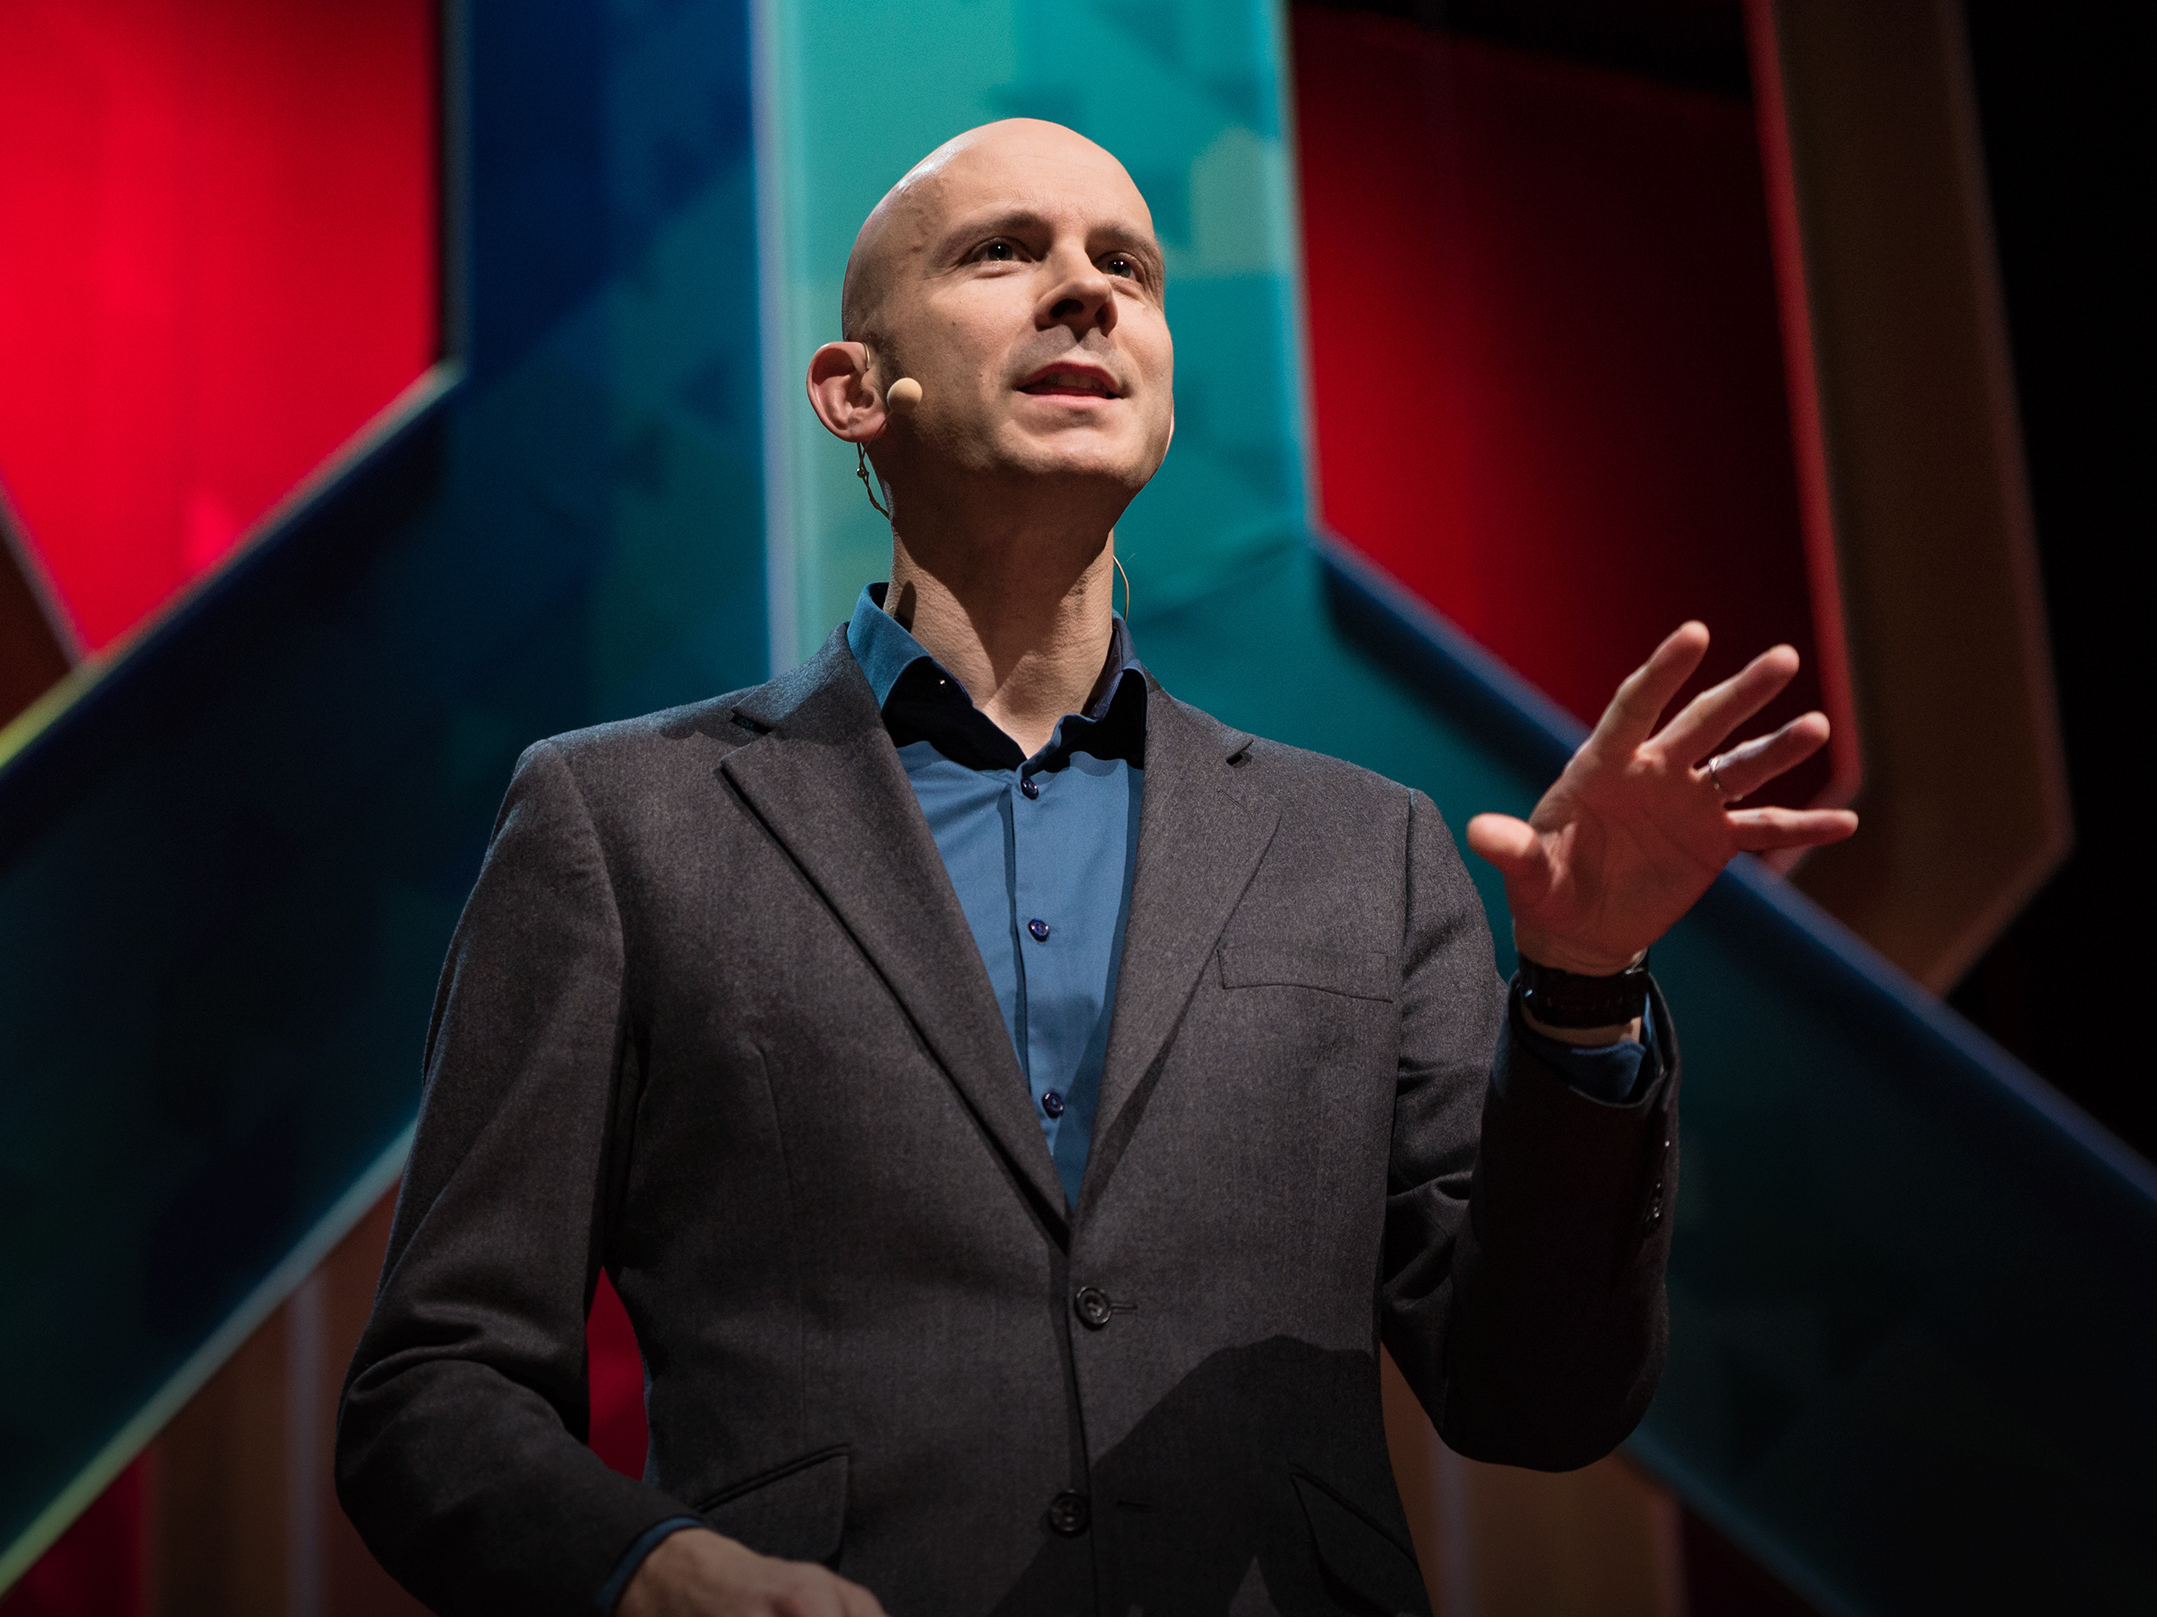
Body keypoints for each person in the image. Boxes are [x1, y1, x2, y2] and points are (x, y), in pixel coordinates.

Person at [335, 119, 1855, 1617]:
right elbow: (435, 1385)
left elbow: (1532, 1399)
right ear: (853, 388)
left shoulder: (1365, 852)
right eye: (1005, 253)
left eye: (1126, 262)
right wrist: (642, 1570)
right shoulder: (622, 822)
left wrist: (1581, 996)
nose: (1086, 292)